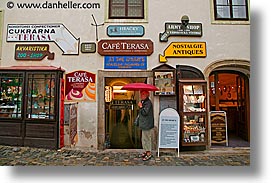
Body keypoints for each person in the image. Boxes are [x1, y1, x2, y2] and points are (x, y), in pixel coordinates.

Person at [136, 90, 154, 161]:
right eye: (141, 94)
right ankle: (145, 151)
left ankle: (148, 153)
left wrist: (140, 107)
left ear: (146, 95)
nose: (141, 96)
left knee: (147, 139)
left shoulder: (148, 103)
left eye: (142, 95)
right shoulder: (144, 102)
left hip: (147, 124)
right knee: (143, 139)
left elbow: (145, 112)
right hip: (144, 124)